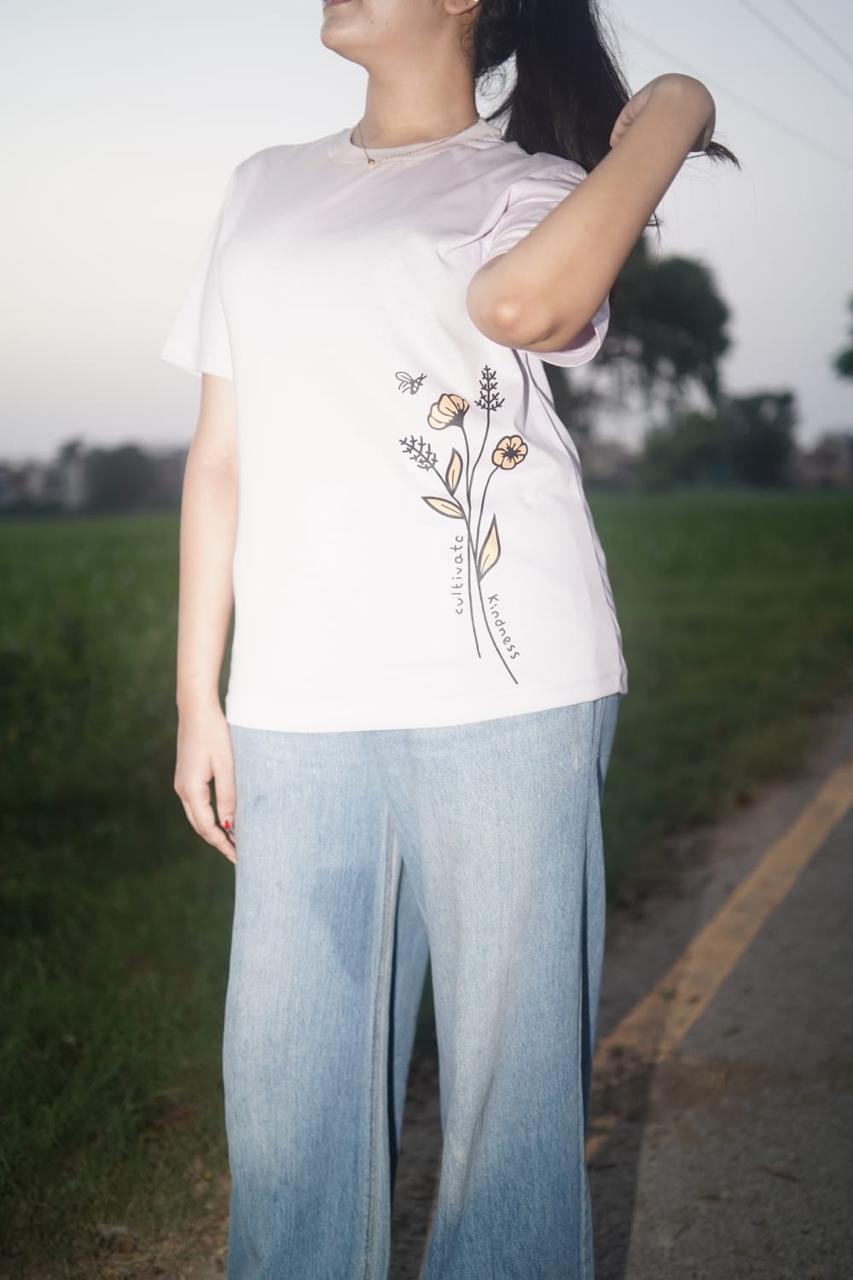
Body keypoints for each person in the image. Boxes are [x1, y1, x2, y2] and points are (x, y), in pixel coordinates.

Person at [161, 1, 736, 1275]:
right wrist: (200, 698)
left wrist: (676, 110)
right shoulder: (262, 185)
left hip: (507, 687)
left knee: (505, 1103)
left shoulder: (529, 186)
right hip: (296, 699)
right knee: (284, 1094)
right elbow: (220, 459)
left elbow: (525, 304)